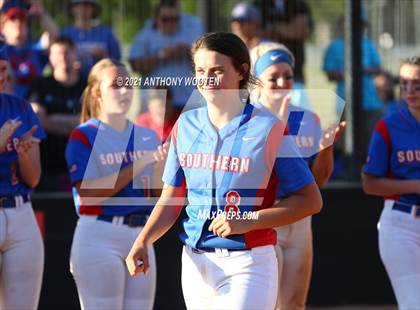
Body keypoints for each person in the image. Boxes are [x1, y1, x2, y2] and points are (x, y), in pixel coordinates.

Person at [125, 32, 322, 309]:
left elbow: (311, 200)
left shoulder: (269, 127)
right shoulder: (186, 124)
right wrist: (143, 240)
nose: (207, 79)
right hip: (195, 262)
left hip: (248, 262)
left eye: (217, 70)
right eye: (201, 71)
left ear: (242, 71)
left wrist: (248, 220)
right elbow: (172, 197)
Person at [65, 58, 168, 310]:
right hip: (100, 234)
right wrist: (140, 163)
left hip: (141, 234)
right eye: (115, 85)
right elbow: (89, 194)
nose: (124, 91)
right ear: (97, 93)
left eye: (128, 84)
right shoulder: (84, 134)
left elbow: (155, 194)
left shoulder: (146, 135)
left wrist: (160, 166)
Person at [251, 42, 345, 310]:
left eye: (288, 75)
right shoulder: (248, 120)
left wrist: (326, 148)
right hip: (266, 218)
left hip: (301, 222)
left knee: (294, 305)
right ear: (258, 81)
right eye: (273, 77)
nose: (283, 82)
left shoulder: (308, 120)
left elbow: (318, 182)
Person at [362, 56, 420, 310]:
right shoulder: (389, 125)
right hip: (402, 224)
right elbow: (370, 184)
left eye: (417, 84)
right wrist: (416, 186)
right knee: (413, 304)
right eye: (404, 83)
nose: (409, 91)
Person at [0, 37, 45, 310]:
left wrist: (24, 154)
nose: (1, 75)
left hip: (20, 212)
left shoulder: (19, 107)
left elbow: (34, 178)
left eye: (4, 68)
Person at [29, 36, 85, 191]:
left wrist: (51, 120)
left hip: (84, 168)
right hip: (48, 169)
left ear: (75, 54)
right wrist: (77, 123)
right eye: (58, 53)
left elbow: (96, 122)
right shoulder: (40, 85)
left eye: (67, 52)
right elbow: (38, 122)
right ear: (50, 57)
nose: (63, 57)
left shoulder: (88, 87)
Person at [323, 14, 383, 157]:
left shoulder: (367, 43)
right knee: (347, 140)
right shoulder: (334, 46)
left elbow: (378, 68)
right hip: (346, 100)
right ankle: (349, 170)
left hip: (370, 101)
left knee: (373, 138)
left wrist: (360, 70)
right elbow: (330, 74)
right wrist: (347, 73)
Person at [129, 0, 203, 112]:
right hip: (155, 103)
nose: (171, 23)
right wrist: (162, 55)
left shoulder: (191, 33)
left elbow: (206, 61)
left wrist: (189, 52)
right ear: (157, 19)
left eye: (175, 19)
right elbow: (135, 66)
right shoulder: (144, 36)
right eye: (166, 19)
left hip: (186, 102)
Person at [1, 0, 58, 98]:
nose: (18, 23)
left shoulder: (35, 50)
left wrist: (40, 11)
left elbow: (54, 35)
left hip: (35, 105)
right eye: (12, 19)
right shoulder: (2, 50)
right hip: (8, 105)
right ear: (2, 28)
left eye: (22, 20)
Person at [60, 0, 121, 78]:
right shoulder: (64, 34)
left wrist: (104, 56)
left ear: (94, 9)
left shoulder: (106, 33)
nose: (82, 10)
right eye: (78, 6)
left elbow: (118, 63)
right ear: (72, 9)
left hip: (100, 83)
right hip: (71, 85)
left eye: (87, 6)